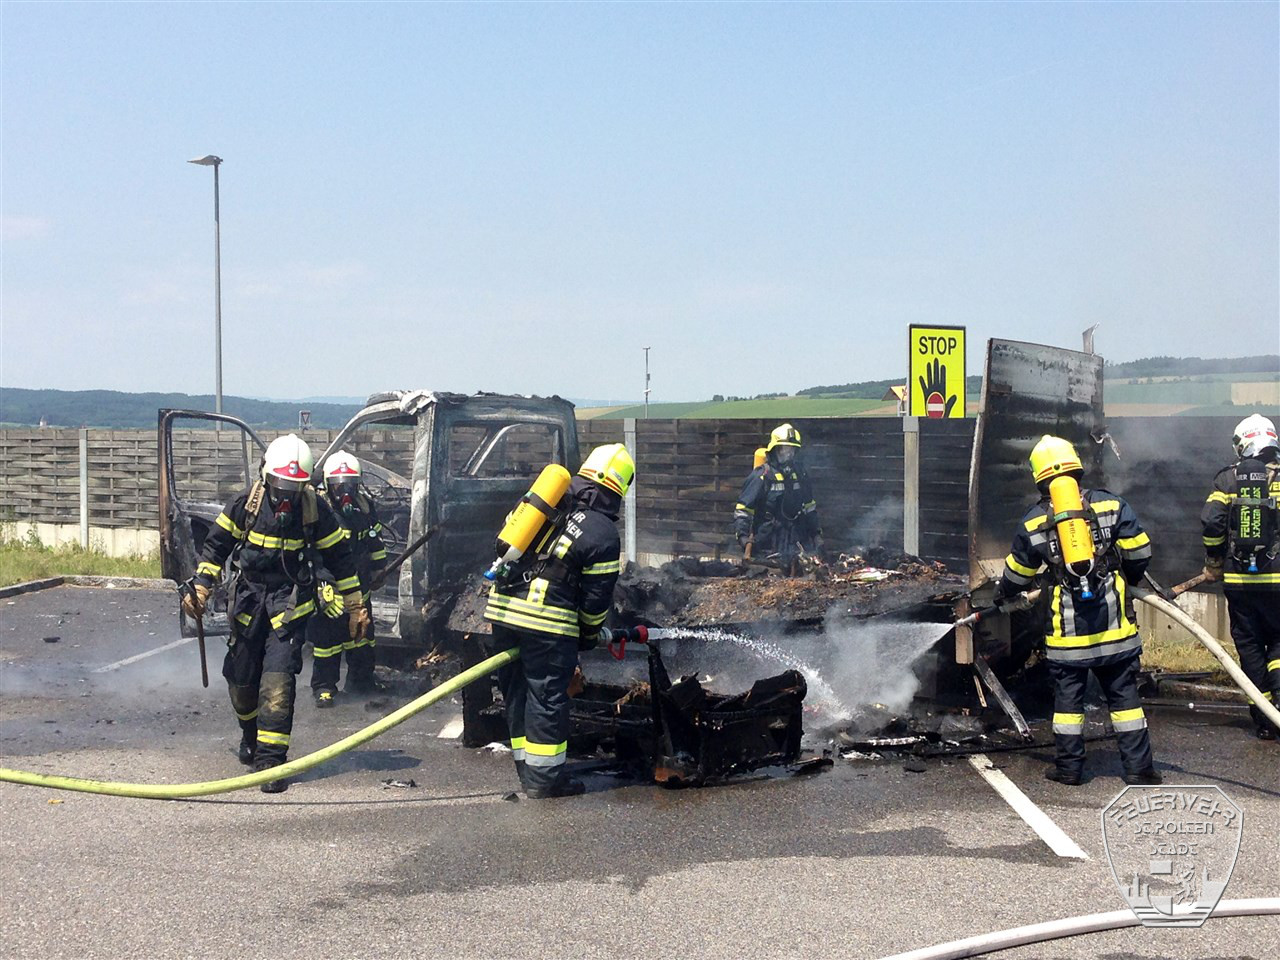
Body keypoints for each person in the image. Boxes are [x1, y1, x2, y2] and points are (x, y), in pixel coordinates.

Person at [180, 434, 368, 792]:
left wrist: (356, 605)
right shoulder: (245, 505)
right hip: (249, 601)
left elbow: (340, 560)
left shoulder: (315, 509)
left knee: (278, 682)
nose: (286, 494)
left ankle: (271, 761)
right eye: (281, 485)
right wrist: (201, 587)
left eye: (294, 487)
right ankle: (250, 735)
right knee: (242, 680)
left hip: (289, 603)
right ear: (266, 478)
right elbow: (216, 547)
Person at [998, 435, 1160, 786]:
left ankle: (1069, 770)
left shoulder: (1033, 521)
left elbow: (1017, 573)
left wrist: (1003, 595)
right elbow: (1140, 551)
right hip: (1115, 632)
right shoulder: (1111, 505)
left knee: (1068, 709)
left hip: (1067, 640)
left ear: (1038, 477)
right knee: (1125, 702)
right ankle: (1139, 770)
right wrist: (1126, 578)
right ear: (1077, 468)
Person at [482, 443, 633, 799]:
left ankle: (527, 769)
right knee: (547, 697)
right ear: (618, 491)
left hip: (503, 613)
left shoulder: (544, 504)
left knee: (516, 692)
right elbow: (596, 601)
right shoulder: (602, 533)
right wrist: (589, 635)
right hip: (546, 623)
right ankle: (545, 780)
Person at [1201, 414, 1279, 742]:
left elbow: (1212, 523)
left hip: (1240, 581)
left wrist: (1215, 562)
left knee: (1249, 645)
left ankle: (1263, 718)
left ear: (1244, 442)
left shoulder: (1227, 480)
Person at [307, 451, 390, 706]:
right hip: (329, 587)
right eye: (338, 485)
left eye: (350, 484)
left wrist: (379, 568)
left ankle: (361, 682)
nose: (345, 490)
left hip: (360, 584)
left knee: (362, 637)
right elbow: (310, 551)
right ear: (327, 485)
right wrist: (320, 586)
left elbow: (373, 539)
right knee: (326, 642)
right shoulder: (319, 510)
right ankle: (324, 687)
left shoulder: (364, 507)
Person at [733, 423, 821, 571]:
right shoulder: (762, 476)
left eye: (791, 450)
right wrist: (743, 537)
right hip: (766, 549)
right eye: (784, 450)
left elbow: (809, 508)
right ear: (774, 450)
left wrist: (817, 535)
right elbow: (743, 510)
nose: (788, 455)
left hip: (794, 546)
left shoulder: (800, 475)